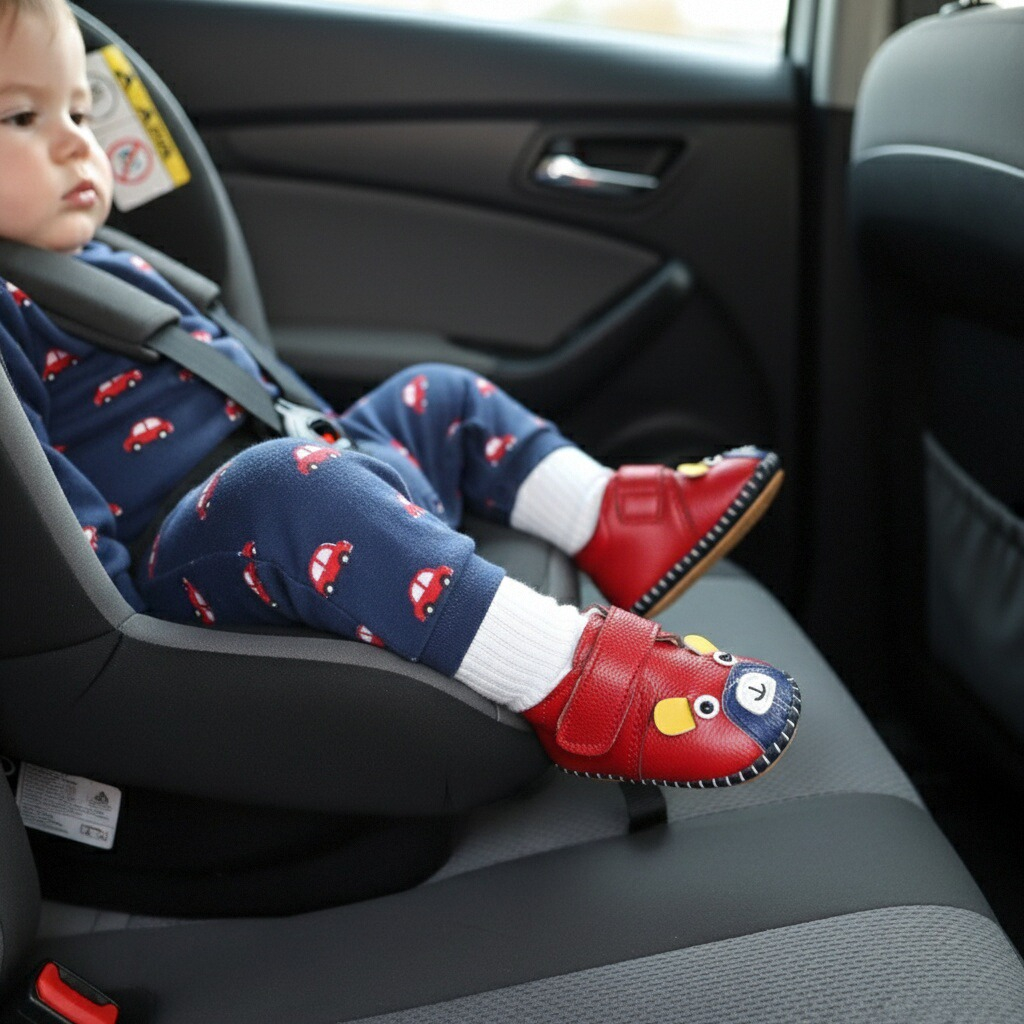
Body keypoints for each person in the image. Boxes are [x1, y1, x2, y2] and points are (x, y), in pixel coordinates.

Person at [0, 0, 799, 788]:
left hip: (301, 489)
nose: (76, 143)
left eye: (80, 110)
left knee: (436, 392)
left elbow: (240, 373)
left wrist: (339, 452)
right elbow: (50, 526)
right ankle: (569, 676)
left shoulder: (109, 260)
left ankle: (613, 520)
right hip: (193, 564)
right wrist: (119, 631)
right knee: (286, 484)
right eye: (22, 118)